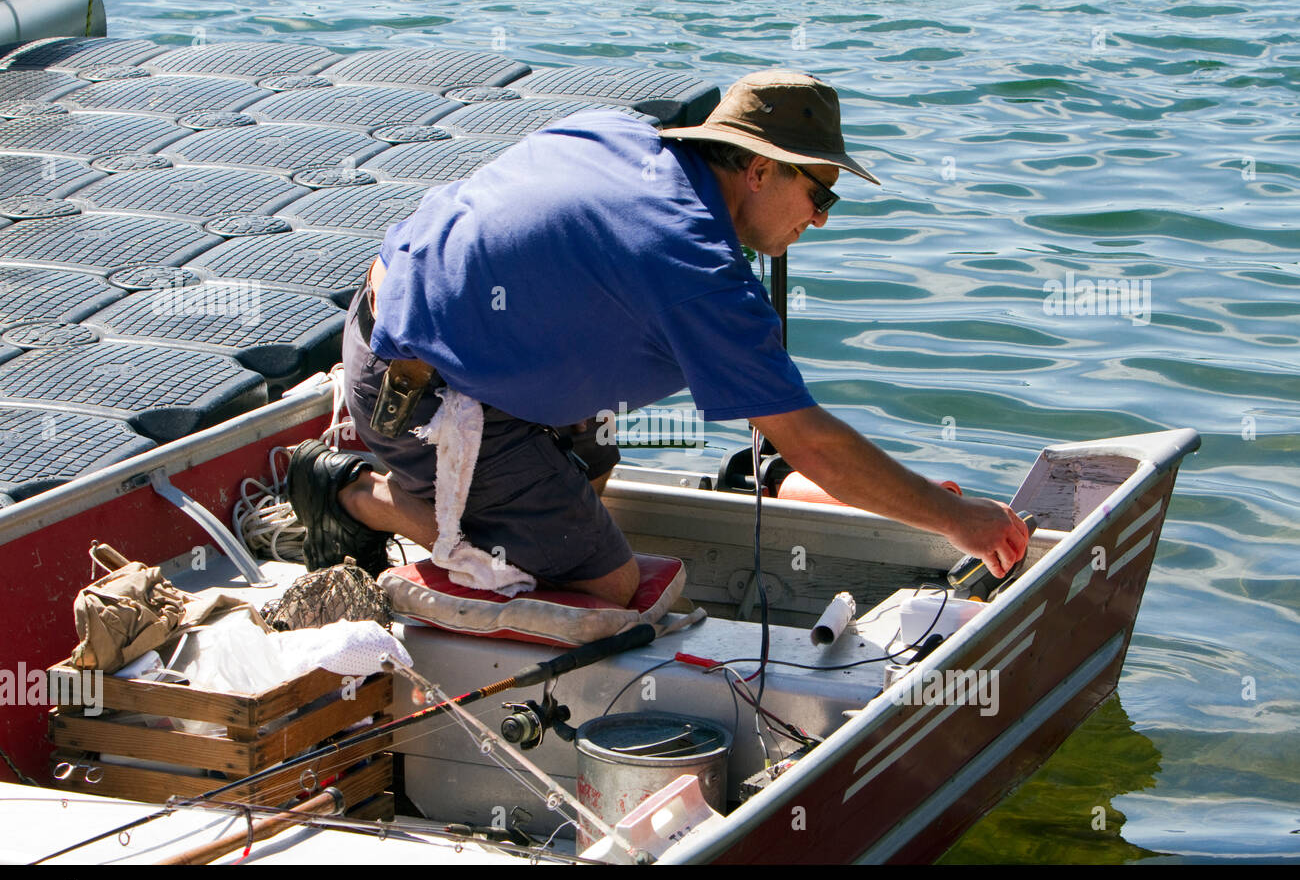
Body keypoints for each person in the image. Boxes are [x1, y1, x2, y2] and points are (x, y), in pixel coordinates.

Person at [289, 70, 1028, 605]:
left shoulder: (621, 135)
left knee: (596, 474)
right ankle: (355, 492)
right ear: (761, 170)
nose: (823, 218)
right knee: (608, 583)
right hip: (419, 394)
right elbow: (814, 446)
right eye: (820, 192)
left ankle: (480, 490)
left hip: (389, 318)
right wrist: (957, 518)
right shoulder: (696, 263)